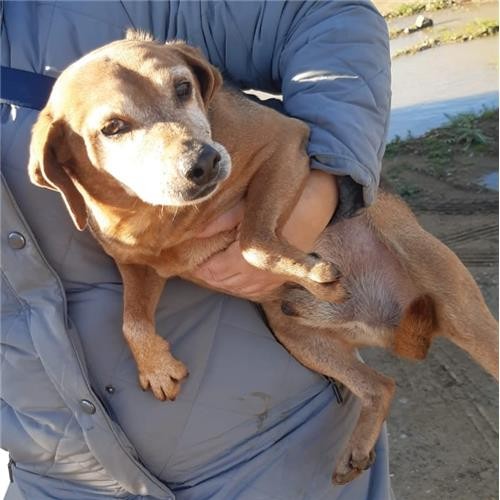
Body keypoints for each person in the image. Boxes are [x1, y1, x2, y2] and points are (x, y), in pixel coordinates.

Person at [0, 1, 392, 498]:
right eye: (116, 128)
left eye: (183, 91)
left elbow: (326, 13)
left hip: (280, 448)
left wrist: (318, 194)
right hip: (55, 480)